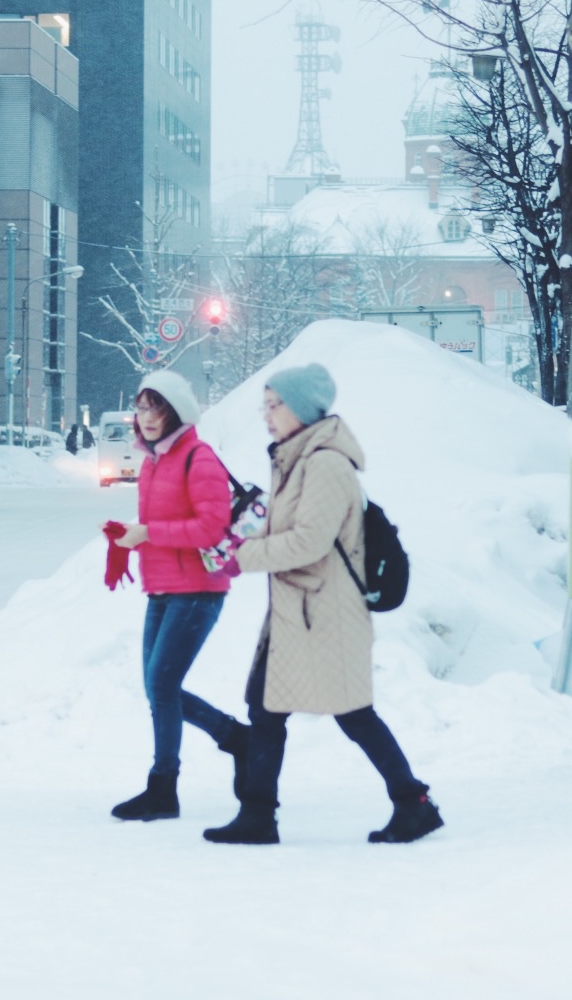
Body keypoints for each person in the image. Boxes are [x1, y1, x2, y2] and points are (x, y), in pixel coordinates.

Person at [204, 363, 443, 847]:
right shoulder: (296, 460)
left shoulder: (326, 464)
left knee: (353, 714)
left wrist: (242, 557)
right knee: (266, 709)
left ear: (303, 409)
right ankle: (258, 815)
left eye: (275, 405)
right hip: (299, 613)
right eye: (264, 405)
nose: (267, 415)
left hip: (325, 614)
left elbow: (311, 542)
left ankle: (412, 802)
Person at [106, 370, 250, 822]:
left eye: (157, 408)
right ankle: (237, 740)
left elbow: (211, 528)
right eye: (142, 407)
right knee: (157, 687)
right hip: (163, 588)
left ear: (177, 412)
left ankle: (165, 786)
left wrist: (147, 533)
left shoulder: (198, 458)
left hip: (199, 590)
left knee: (163, 685)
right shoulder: (153, 462)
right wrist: (130, 538)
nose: (146, 417)